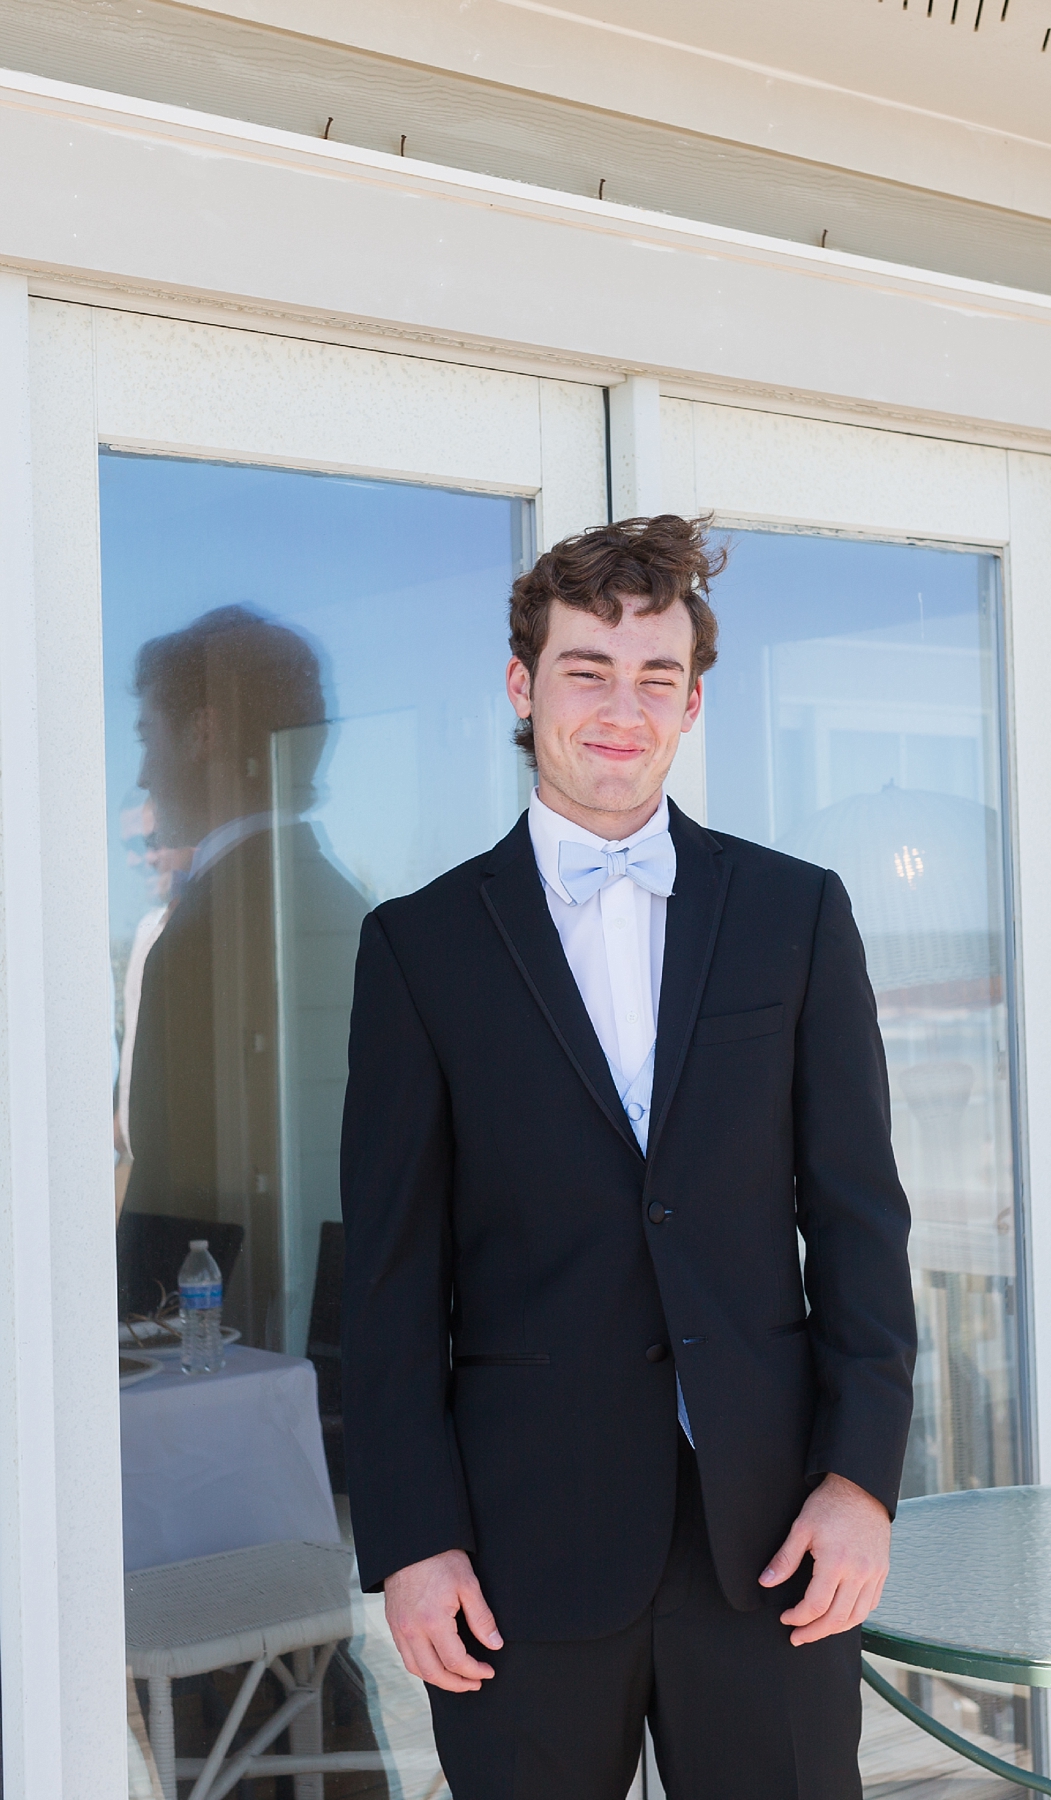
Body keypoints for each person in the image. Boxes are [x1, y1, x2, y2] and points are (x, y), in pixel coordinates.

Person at [340, 515, 917, 1799]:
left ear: (693, 701)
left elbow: (863, 1224)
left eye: (656, 676)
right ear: (522, 685)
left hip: (774, 1540)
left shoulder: (798, 914)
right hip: (515, 1559)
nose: (622, 706)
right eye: (587, 669)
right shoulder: (418, 949)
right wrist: (413, 1543)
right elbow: (385, 1289)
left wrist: (861, 1482)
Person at [123, 604, 366, 1343]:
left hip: (230, 1354)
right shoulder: (347, 909)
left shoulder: (211, 935)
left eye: (146, 737)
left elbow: (174, 1189)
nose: (141, 772)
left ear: (203, 732)